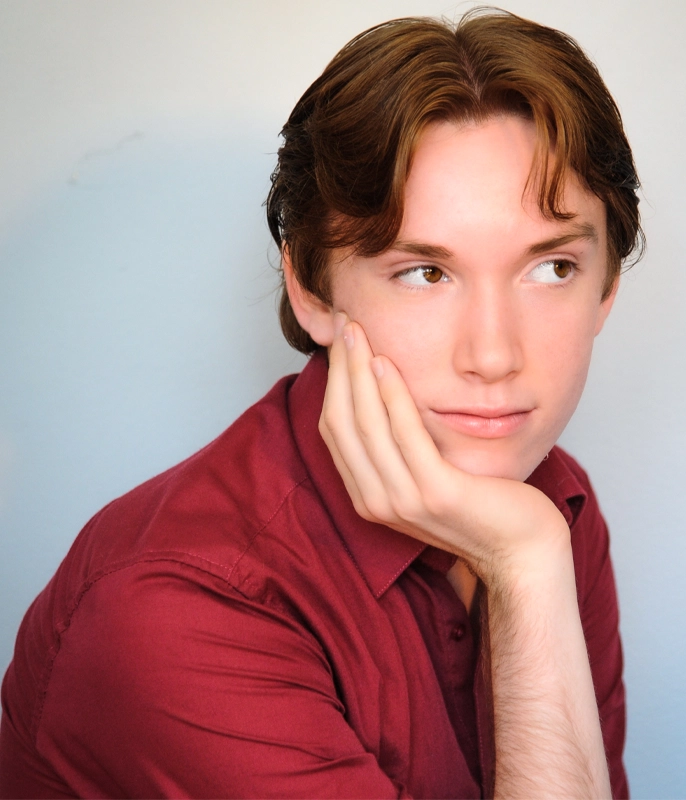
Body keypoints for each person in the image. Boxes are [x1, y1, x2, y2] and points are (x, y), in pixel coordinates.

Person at [0, 9, 642, 799]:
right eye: (424, 272)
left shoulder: (549, 508)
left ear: (608, 286)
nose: (494, 356)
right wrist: (526, 562)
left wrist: (529, 565)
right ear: (310, 290)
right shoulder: (174, 607)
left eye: (551, 269)